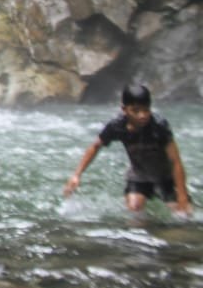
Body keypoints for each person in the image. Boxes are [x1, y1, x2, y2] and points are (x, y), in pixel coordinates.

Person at [63, 83, 192, 215]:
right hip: (139, 176)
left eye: (146, 110)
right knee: (134, 213)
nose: (142, 115)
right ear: (124, 110)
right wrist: (77, 175)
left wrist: (182, 197)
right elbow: (95, 146)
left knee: (183, 217)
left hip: (165, 177)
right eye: (136, 111)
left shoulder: (159, 126)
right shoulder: (117, 126)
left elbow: (175, 162)